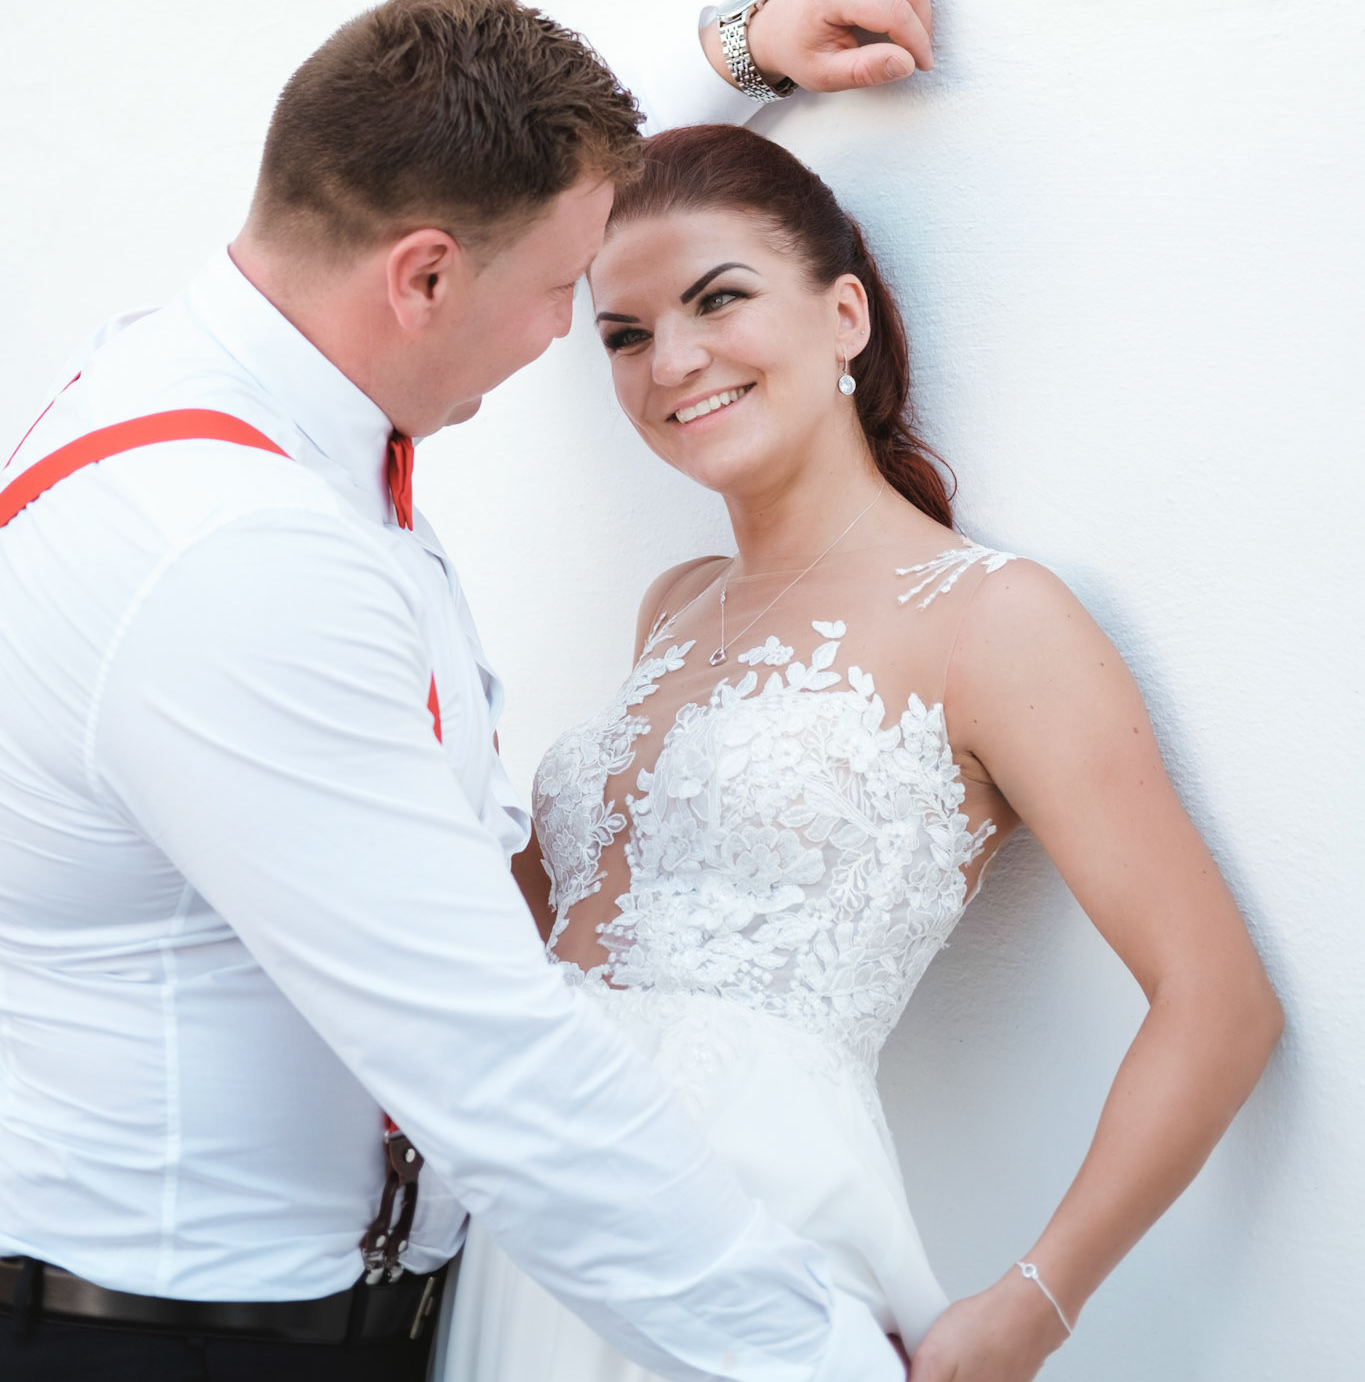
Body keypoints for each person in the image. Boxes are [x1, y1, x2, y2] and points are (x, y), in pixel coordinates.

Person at [0, 0, 934, 1380]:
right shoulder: (232, 557)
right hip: (177, 1346)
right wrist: (821, 1359)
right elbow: (488, 1060)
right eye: (570, 293)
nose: (568, 331)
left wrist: (744, 47)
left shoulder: (215, 365)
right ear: (424, 276)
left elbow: (474, 164)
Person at [445, 123, 1283, 1382]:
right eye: (622, 333)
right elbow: (577, 925)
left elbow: (1221, 1000)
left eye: (718, 298)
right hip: (537, 1213)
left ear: (845, 315)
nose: (672, 360)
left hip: (749, 1218)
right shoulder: (676, 602)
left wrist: (1033, 1304)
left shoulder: (993, 617)